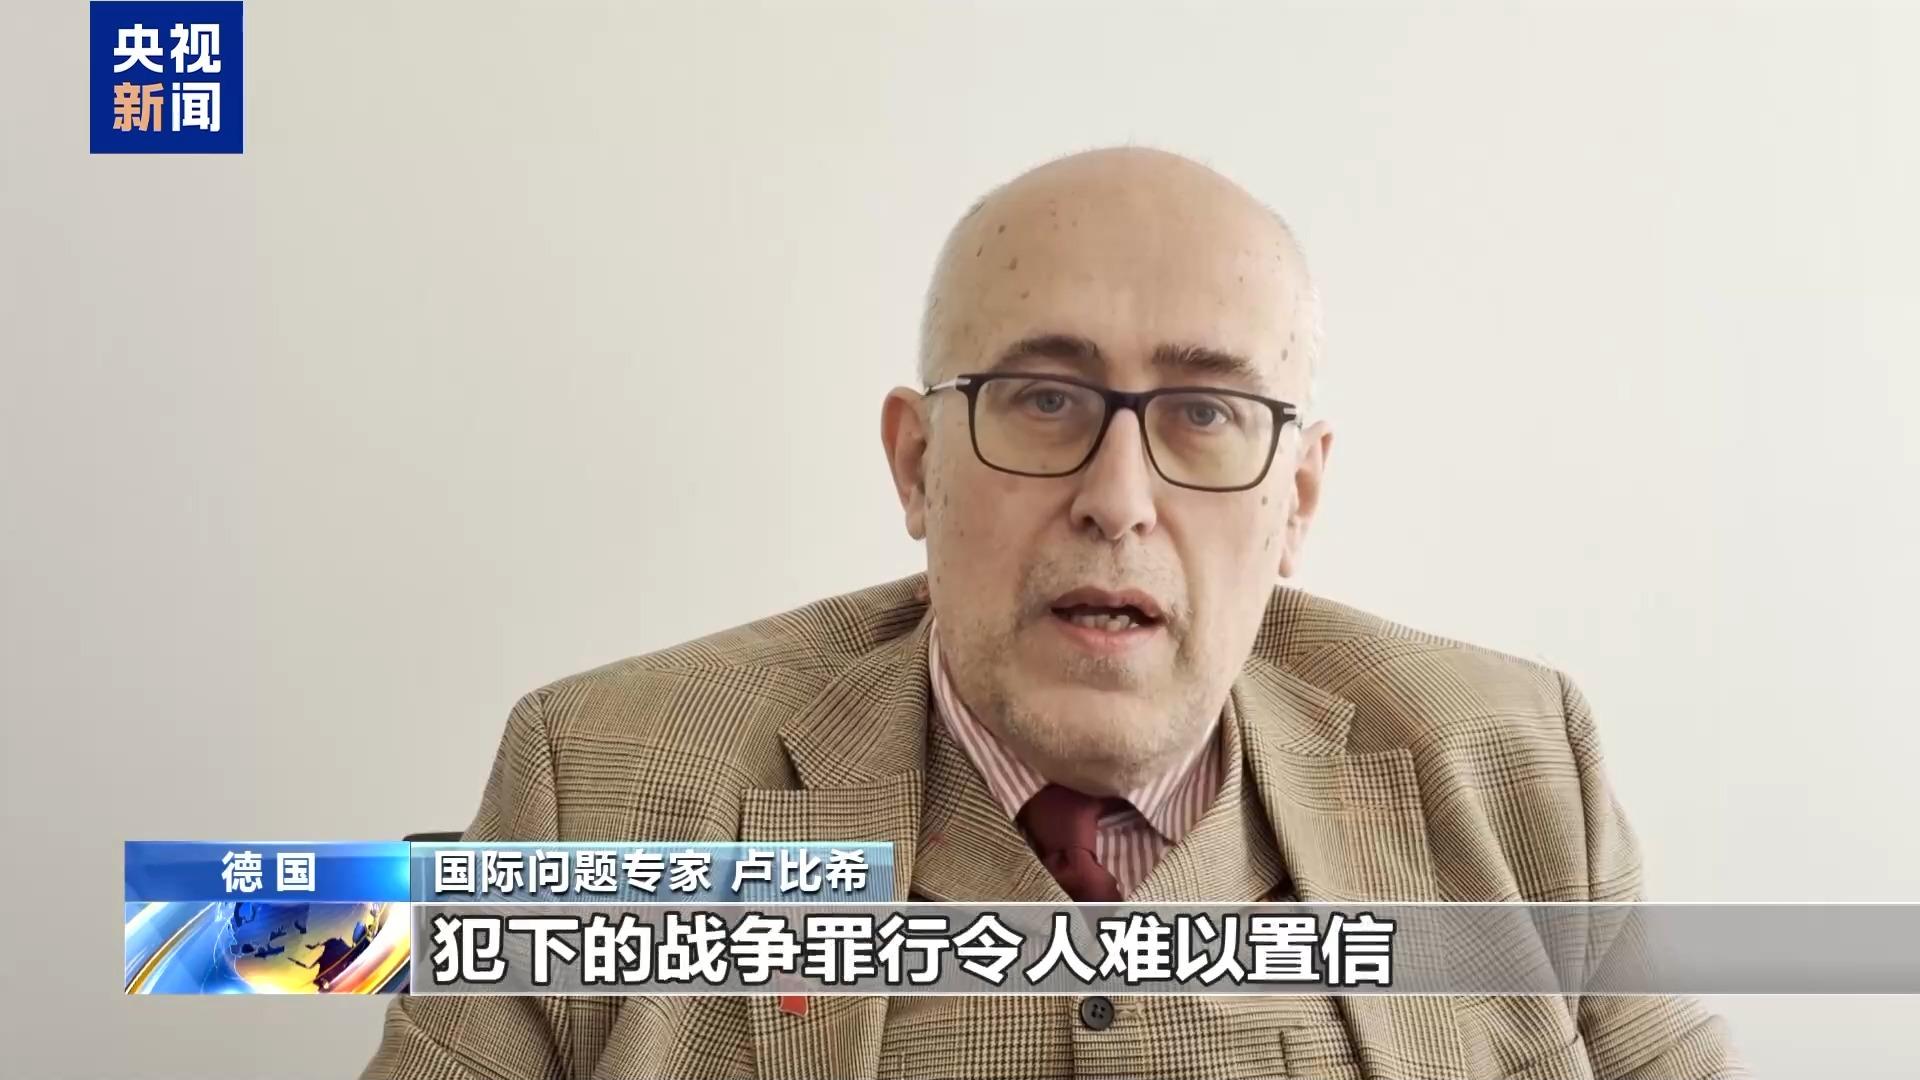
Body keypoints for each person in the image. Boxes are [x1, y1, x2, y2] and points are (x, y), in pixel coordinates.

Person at [362, 147, 1745, 1079]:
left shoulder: (1515, 770)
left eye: (1206, 413)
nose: (1117, 499)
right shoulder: (598, 785)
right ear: (918, 464)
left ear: (1298, 501)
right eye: (1042, 399)